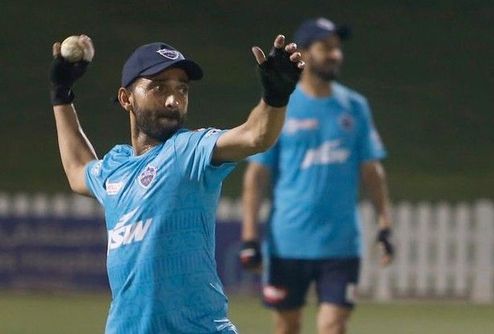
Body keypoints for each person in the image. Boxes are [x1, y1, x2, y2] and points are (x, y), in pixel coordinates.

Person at [49, 34, 304, 333]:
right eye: (158, 87)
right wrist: (60, 93)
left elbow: (256, 135)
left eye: (181, 89)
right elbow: (78, 168)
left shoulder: (188, 150)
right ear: (126, 98)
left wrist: (275, 98)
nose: (173, 100)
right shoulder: (116, 167)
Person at [239, 18, 395, 334]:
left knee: (333, 326)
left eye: (338, 48)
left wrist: (385, 225)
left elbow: (372, 171)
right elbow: (256, 176)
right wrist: (250, 237)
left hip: (340, 245)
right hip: (287, 243)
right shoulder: (279, 105)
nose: (335, 55)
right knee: (287, 326)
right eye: (326, 48)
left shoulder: (355, 106)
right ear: (306, 54)